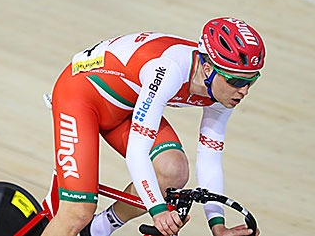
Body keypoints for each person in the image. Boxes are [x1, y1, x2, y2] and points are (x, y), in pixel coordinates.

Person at [40, 17, 265, 236]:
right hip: (81, 97)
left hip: (126, 107)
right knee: (77, 212)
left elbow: (210, 156)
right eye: (236, 81)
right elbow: (137, 152)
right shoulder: (170, 69)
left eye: (251, 80)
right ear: (207, 69)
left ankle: (99, 229)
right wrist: (157, 210)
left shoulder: (224, 89)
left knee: (173, 170)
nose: (244, 90)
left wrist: (218, 225)